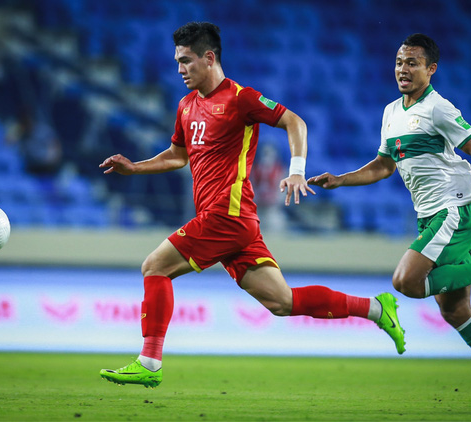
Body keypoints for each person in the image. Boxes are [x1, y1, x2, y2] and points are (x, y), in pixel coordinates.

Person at [98, 22, 406, 388]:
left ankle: (149, 362)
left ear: (209, 58)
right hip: (233, 222)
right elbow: (177, 156)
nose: (180, 69)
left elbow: (295, 122)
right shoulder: (186, 106)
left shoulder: (240, 99)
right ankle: (376, 308)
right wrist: (136, 167)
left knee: (154, 267)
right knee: (282, 302)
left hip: (226, 216)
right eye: (177, 62)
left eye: (186, 61)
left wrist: (296, 171)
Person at [308, 33, 471, 406]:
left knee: (405, 280)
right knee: (456, 310)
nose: (403, 69)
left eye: (412, 63)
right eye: (400, 62)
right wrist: (341, 179)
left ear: (431, 70)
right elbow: (384, 166)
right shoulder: (391, 112)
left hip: (452, 208)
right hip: (430, 214)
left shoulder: (438, 108)